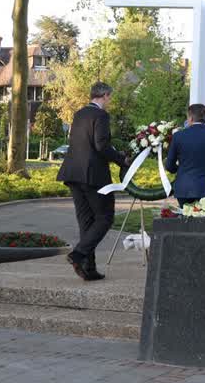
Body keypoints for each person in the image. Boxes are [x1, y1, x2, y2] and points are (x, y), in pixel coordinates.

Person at [57, 82, 129, 281]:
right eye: (109, 97)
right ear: (105, 95)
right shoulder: (101, 115)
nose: (109, 100)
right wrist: (122, 159)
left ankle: (88, 268)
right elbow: (101, 145)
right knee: (105, 217)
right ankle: (78, 255)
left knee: (86, 221)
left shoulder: (79, 114)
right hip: (93, 175)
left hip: (73, 173)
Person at [165, 104, 205, 208]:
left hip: (184, 189)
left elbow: (169, 165)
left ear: (190, 118)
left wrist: (182, 170)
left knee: (185, 217)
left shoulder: (178, 136)